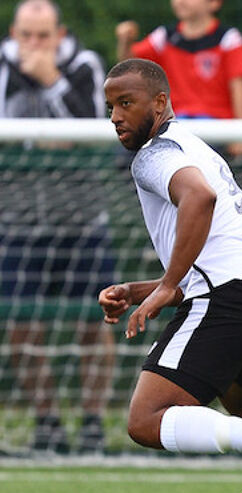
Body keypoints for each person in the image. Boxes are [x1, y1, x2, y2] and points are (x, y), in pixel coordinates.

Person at [99, 58, 242, 493]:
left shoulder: (155, 155)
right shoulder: (196, 145)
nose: (116, 117)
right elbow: (215, 250)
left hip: (236, 294)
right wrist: (146, 288)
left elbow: (198, 200)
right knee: (239, 395)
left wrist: (167, 287)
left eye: (126, 103)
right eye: (110, 107)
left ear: (161, 102)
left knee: (145, 421)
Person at [0, 0, 114, 454]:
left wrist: (50, 80)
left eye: (43, 36)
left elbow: (87, 128)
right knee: (22, 327)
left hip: (82, 220)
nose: (34, 46)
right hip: (19, 221)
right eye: (26, 35)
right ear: (14, 32)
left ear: (59, 33)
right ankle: (46, 422)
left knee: (95, 323)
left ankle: (91, 425)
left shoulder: (84, 65)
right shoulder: (3, 67)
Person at [115, 0, 242, 155]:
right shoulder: (164, 37)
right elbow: (129, 69)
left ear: (214, 3)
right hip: (173, 124)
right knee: (127, 149)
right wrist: (125, 42)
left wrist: (241, 135)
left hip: (216, 129)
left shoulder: (229, 40)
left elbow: (238, 88)